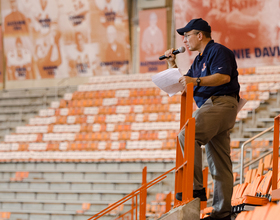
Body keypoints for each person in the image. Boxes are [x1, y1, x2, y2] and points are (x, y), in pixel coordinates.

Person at [164, 18, 240, 220]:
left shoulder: (218, 51)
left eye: (187, 35)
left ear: (200, 35)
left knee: (186, 135)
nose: (185, 40)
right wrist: (173, 63)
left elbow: (223, 77)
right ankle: (222, 213)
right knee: (220, 162)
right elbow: (184, 84)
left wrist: (195, 80)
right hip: (213, 107)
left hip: (220, 103)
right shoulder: (199, 60)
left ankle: (195, 188)